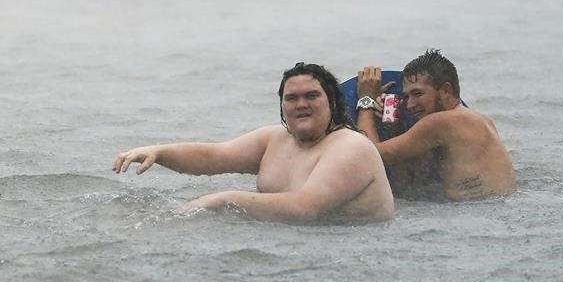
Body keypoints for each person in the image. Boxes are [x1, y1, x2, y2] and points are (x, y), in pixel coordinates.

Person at [112, 62, 394, 224]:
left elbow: (306, 208)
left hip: (349, 250)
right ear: (282, 106)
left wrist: (222, 199)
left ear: (332, 101)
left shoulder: (350, 147)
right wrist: (158, 151)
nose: (301, 105)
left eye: (311, 96)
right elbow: (213, 156)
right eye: (291, 98)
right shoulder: (275, 139)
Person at [355, 49, 516, 201]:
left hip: (471, 214)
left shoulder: (440, 122)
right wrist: (394, 128)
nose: (410, 105)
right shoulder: (482, 120)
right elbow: (412, 175)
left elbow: (368, 153)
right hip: (495, 210)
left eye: (417, 94)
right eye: (406, 96)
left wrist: (366, 101)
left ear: (446, 90)